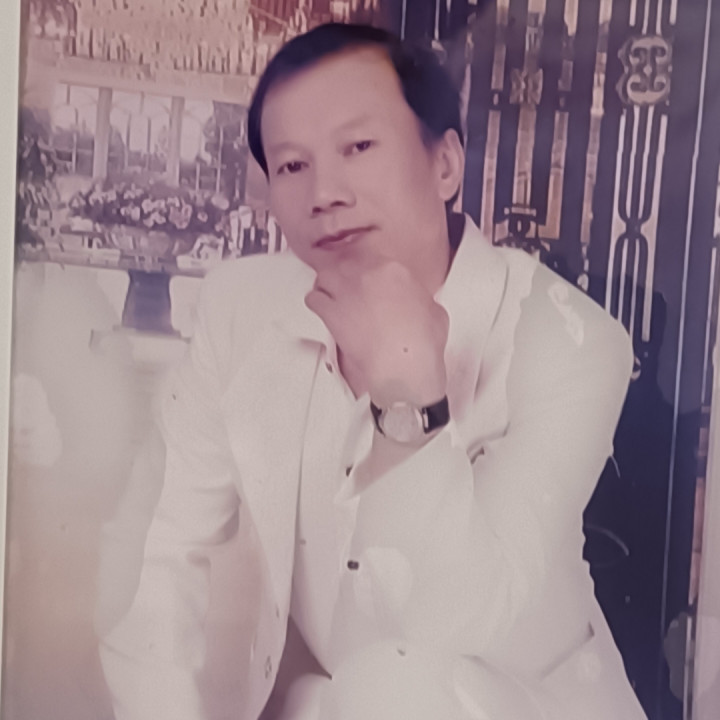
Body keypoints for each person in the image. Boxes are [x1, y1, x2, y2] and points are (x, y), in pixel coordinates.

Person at [99, 23, 648, 720]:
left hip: (520, 701)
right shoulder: (243, 305)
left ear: (445, 165)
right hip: (342, 701)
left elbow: (452, 620)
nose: (324, 192)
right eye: (291, 166)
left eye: (358, 147)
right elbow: (162, 548)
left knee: (392, 682)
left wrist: (407, 392)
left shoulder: (567, 340)